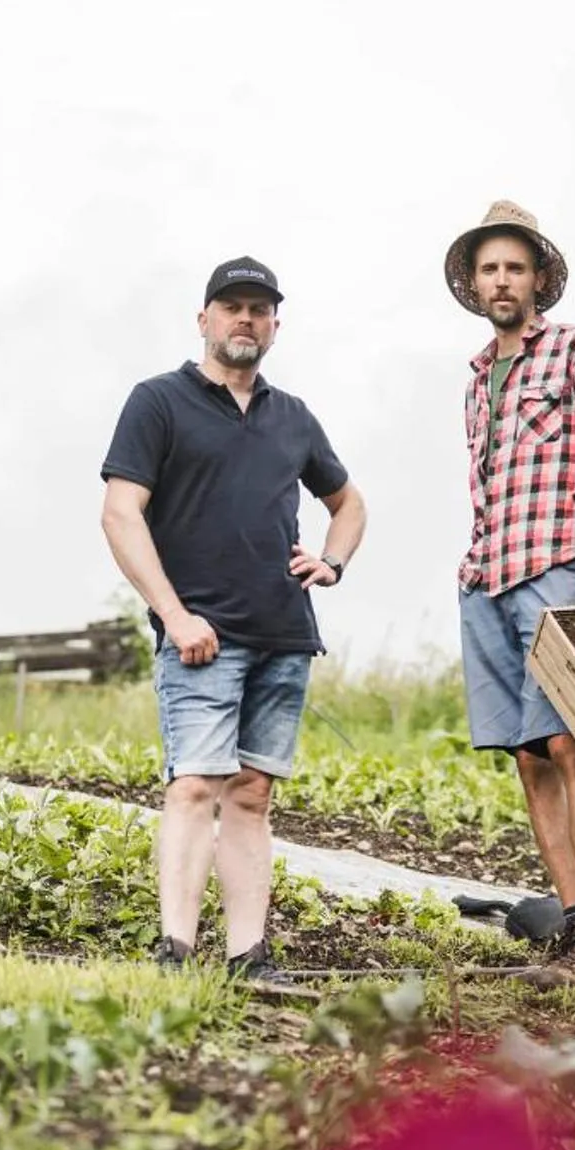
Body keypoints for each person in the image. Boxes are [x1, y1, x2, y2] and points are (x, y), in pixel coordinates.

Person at [100, 257, 367, 977]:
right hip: (201, 637)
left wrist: (332, 563)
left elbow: (349, 503)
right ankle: (175, 952)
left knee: (251, 795)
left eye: (259, 308)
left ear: (275, 325)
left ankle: (250, 954)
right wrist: (173, 614)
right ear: (205, 319)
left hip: (283, 634)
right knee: (193, 785)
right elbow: (121, 514)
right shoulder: (158, 402)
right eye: (231, 306)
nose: (244, 318)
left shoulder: (294, 417)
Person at [442, 200, 575, 983]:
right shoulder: (477, 380)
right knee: (527, 755)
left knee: (567, 740)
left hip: (557, 565)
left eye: (514, 267)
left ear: (539, 278)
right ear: (474, 282)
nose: (501, 279)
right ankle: (569, 931)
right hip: (487, 576)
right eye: (489, 267)